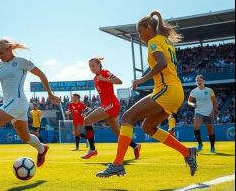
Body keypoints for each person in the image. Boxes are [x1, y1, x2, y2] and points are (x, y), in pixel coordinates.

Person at [97, 10, 197, 178]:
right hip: (173, 91)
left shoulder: (153, 42)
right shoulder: (166, 41)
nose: (140, 35)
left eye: (140, 31)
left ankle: (118, 164)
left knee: (128, 117)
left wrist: (142, 79)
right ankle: (187, 152)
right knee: (147, 127)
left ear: (148, 28)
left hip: (167, 89)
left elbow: (162, 63)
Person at [0, 38, 60, 181]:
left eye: (1, 52)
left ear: (9, 49)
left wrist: (50, 94)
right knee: (25, 137)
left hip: (18, 102)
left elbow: (41, 75)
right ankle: (42, 148)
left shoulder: (21, 61)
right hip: (12, 104)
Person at [81, 58, 141, 160]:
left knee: (87, 120)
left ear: (99, 64)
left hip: (111, 104)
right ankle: (135, 146)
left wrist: (105, 79)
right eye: (90, 66)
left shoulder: (105, 72)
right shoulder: (95, 79)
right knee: (118, 132)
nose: (91, 68)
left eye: (93, 65)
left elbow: (119, 81)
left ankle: (92, 149)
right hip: (106, 105)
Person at [188, 75, 218, 153]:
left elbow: (214, 102)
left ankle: (212, 147)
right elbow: (189, 101)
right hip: (199, 112)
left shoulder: (209, 90)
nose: (199, 82)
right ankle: (200, 144)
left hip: (209, 112)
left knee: (210, 131)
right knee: (195, 128)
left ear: (204, 81)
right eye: (197, 80)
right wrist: (192, 104)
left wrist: (213, 111)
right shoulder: (194, 91)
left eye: (200, 80)